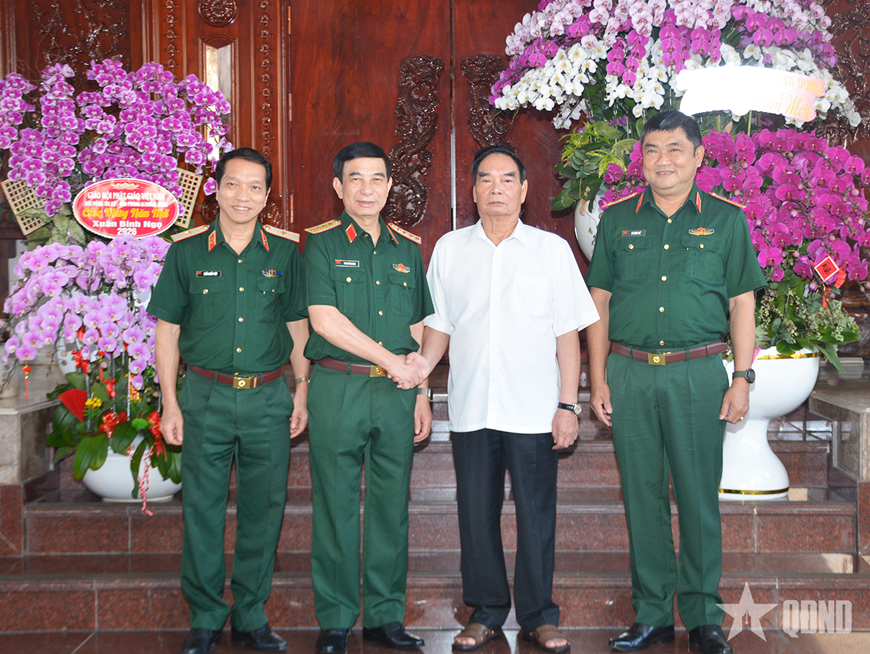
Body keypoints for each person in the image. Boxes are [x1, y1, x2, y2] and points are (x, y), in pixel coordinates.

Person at [584, 110, 767, 654]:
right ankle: (652, 615)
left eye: (674, 150)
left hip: (697, 374)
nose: (662, 161)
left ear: (698, 156)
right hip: (630, 373)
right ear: (641, 158)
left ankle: (704, 617)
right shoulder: (617, 219)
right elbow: (599, 302)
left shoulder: (727, 220)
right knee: (641, 498)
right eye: (652, 150)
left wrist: (743, 377)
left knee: (697, 497)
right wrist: (597, 378)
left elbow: (742, 303)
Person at [407, 144, 599, 654]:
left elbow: (567, 334)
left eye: (507, 179)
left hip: (534, 409)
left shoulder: (551, 251)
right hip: (472, 407)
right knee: (476, 514)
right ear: (472, 191)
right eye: (486, 179)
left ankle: (538, 616)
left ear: (524, 189)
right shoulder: (450, 249)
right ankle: (487, 612)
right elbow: (438, 326)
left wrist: (568, 405)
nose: (497, 188)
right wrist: (420, 380)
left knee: (536, 516)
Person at [149, 147, 309, 654]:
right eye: (233, 184)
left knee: (265, 509)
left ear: (267, 196)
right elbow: (167, 330)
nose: (244, 196)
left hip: (268, 399)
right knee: (202, 508)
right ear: (216, 190)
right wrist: (170, 402)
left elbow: (297, 326)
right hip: (204, 397)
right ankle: (204, 616)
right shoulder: (186, 252)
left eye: (255, 187)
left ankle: (250, 615)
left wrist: (302, 390)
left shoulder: (285, 253)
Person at [302, 142, 434, 654]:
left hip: (397, 393)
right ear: (339, 186)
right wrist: (391, 360)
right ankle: (336, 619)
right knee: (336, 503)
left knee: (390, 505)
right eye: (355, 178)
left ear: (389, 186)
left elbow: (417, 325)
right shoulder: (321, 244)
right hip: (340, 386)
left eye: (377, 178)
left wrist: (421, 390)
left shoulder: (407, 248)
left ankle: (384, 616)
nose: (367, 188)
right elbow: (324, 320)